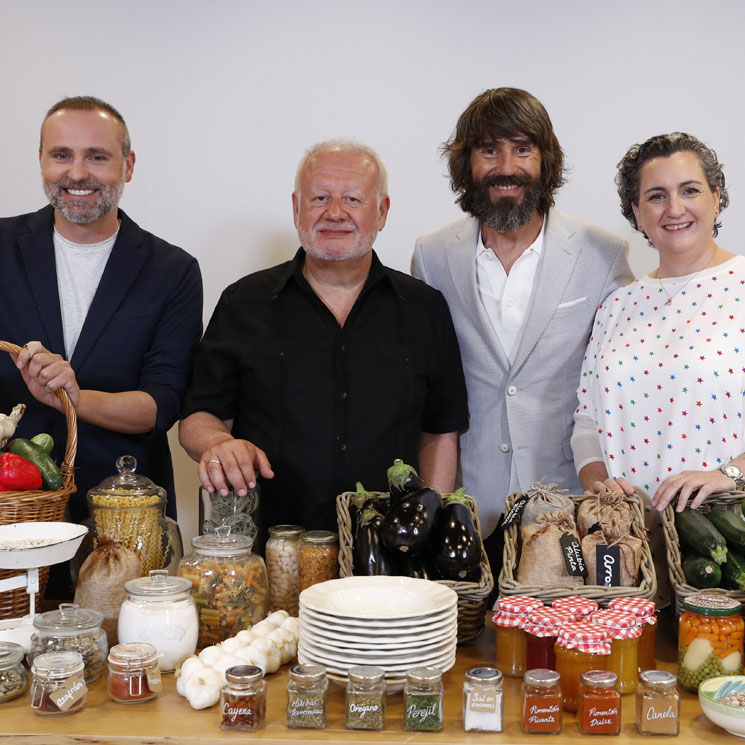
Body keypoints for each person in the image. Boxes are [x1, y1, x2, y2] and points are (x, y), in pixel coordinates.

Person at [179, 140, 468, 535]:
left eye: (352, 198)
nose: (335, 213)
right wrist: (217, 441)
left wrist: (429, 527)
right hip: (271, 546)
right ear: (297, 208)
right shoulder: (243, 303)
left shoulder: (424, 309)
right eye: (319, 198)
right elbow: (198, 417)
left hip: (389, 550)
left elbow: (439, 433)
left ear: (381, 212)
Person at [412, 88, 633, 547]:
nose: (506, 167)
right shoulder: (432, 255)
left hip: (569, 506)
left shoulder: (603, 254)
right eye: (489, 150)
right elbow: (429, 385)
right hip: (466, 510)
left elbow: (617, 381)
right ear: (466, 164)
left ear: (545, 160)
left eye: (522, 149)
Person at [0, 96, 203, 522]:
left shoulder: (172, 270)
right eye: (61, 155)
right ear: (41, 160)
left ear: (127, 166)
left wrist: (73, 399)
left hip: (124, 510)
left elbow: (160, 405)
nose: (76, 174)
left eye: (97, 157)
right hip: (11, 506)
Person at [573, 132, 744, 517]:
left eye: (690, 191)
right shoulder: (617, 305)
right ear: (636, 213)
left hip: (728, 537)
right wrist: (599, 484)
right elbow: (586, 421)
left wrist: (730, 474)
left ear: (716, 199)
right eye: (656, 196)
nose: (675, 208)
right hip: (631, 542)